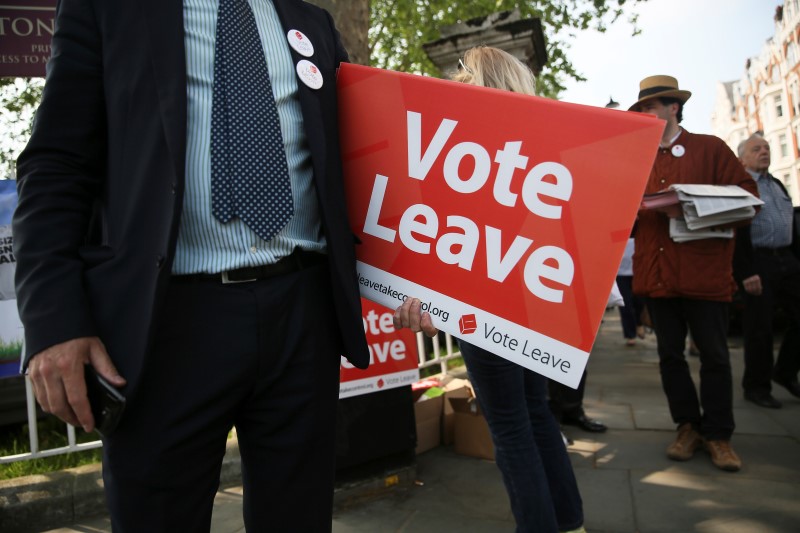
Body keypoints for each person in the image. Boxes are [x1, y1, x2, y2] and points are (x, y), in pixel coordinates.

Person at [12, 1, 433, 530]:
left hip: (304, 317)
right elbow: (56, 163)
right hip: (166, 325)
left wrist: (424, 280)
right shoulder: (107, 9)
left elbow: (362, 159)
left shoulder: (311, 22)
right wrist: (54, 321)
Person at [444, 46, 585, 533]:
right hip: (533, 298)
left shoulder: (459, 139)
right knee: (537, 414)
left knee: (509, 427)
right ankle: (570, 524)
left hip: (480, 304)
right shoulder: (545, 140)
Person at [629, 75, 759, 473]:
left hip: (705, 275)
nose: (645, 114)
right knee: (670, 356)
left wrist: (695, 206)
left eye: (652, 106)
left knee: (715, 356)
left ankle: (719, 435)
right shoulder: (635, 156)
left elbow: (748, 198)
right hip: (658, 275)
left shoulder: (711, 148)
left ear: (674, 108)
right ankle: (687, 427)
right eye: (641, 108)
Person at [733, 133, 800, 408]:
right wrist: (746, 271)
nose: (764, 152)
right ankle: (757, 387)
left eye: (766, 148)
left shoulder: (776, 185)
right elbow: (736, 229)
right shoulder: (740, 186)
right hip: (757, 260)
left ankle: (784, 372)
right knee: (759, 327)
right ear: (742, 158)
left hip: (786, 259)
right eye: (756, 149)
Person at [616, 237, 646, 346]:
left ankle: (639, 323)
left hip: (638, 271)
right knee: (625, 305)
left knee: (639, 302)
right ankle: (630, 334)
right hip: (620, 273)